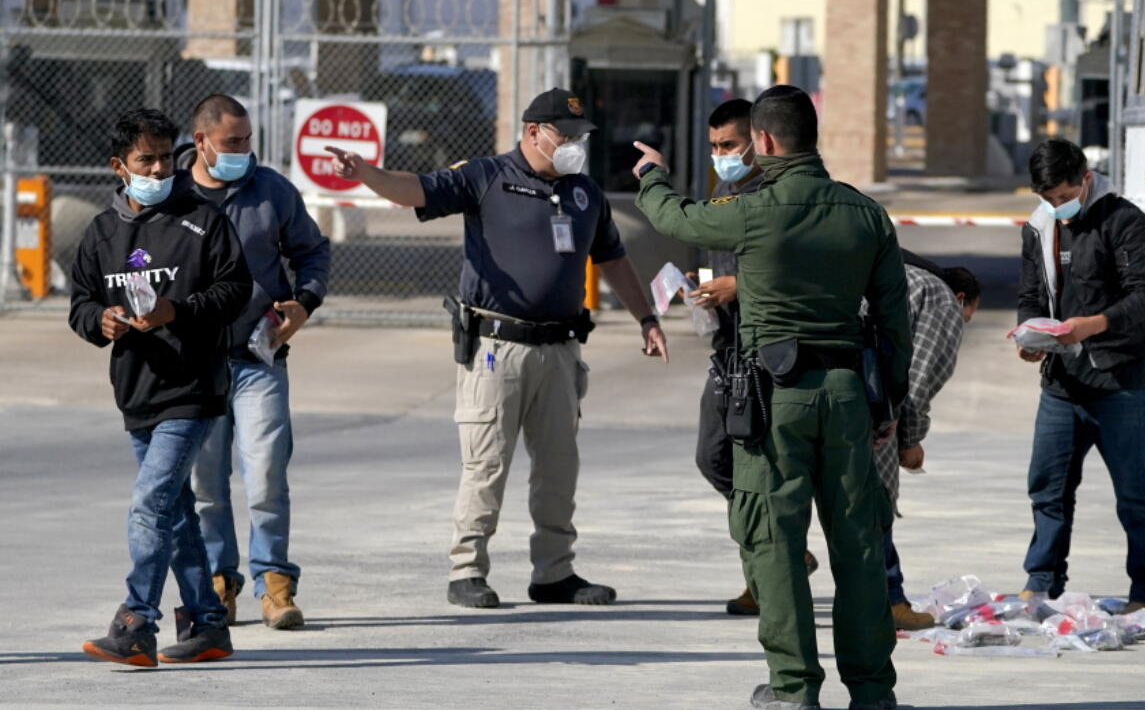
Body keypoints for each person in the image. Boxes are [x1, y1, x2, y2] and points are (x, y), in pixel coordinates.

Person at [327, 87, 668, 609]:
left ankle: (554, 572)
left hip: (560, 349)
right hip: (496, 347)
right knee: (486, 463)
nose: (576, 144)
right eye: (566, 135)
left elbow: (614, 259)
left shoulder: (584, 194)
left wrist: (646, 317)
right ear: (533, 133)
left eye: (581, 136)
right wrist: (366, 173)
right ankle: (467, 569)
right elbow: (415, 190)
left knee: (559, 466)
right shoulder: (485, 177)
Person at [633, 85, 912, 710]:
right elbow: (896, 325)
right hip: (847, 394)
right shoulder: (866, 214)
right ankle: (872, 687)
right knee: (861, 544)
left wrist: (651, 176)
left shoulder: (754, 209)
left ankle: (794, 685)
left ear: (762, 141)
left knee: (775, 539)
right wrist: (890, 406)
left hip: (773, 396)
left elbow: (676, 218)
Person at [70, 108, 252, 666]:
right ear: (119, 167)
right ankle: (207, 623)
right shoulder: (101, 234)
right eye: (144, 159)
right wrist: (99, 322)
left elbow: (236, 289)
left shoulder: (202, 220)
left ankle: (136, 621)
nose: (157, 168)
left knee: (149, 503)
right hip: (137, 391)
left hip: (192, 389)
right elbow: (79, 303)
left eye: (164, 157)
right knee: (174, 512)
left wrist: (179, 310)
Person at [182, 94, 331, 630]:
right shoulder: (172, 195)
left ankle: (275, 585)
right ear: (201, 142)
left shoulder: (271, 190)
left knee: (266, 474)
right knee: (205, 486)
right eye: (232, 143)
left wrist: (304, 303)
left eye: (248, 140)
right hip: (193, 365)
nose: (244, 151)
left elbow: (313, 251)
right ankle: (220, 584)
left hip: (258, 357)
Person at [1016, 138, 1145, 619]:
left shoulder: (1124, 220)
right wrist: (1030, 333)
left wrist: (1092, 325)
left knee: (1133, 495)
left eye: (1063, 196)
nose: (1056, 206)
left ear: (1085, 178)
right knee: (1047, 486)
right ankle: (1042, 581)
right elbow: (1031, 294)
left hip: (1120, 380)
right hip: (1062, 381)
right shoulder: (1039, 227)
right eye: (1047, 198)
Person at [689, 98, 820, 616]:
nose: (722, 156)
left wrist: (737, 287)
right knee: (714, 456)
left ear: (759, 141)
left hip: (775, 353)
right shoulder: (723, 194)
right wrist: (700, 292)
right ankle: (773, 559)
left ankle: (769, 575)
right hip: (729, 351)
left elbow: (798, 271)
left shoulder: (780, 195)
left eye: (730, 145)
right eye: (715, 147)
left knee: (762, 466)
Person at [876, 253, 981, 630]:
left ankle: (766, 593)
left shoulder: (882, 272)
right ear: (961, 299)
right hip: (868, 410)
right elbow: (919, 379)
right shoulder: (936, 296)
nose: (962, 325)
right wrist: (910, 440)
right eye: (967, 315)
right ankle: (888, 601)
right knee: (873, 505)